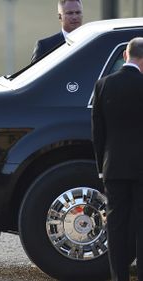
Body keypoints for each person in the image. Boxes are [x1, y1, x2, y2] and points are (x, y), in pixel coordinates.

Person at [92, 37, 143, 281]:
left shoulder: (103, 85)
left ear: (125, 55)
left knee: (116, 226)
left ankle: (118, 277)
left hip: (114, 166)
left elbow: (98, 132)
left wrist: (101, 166)